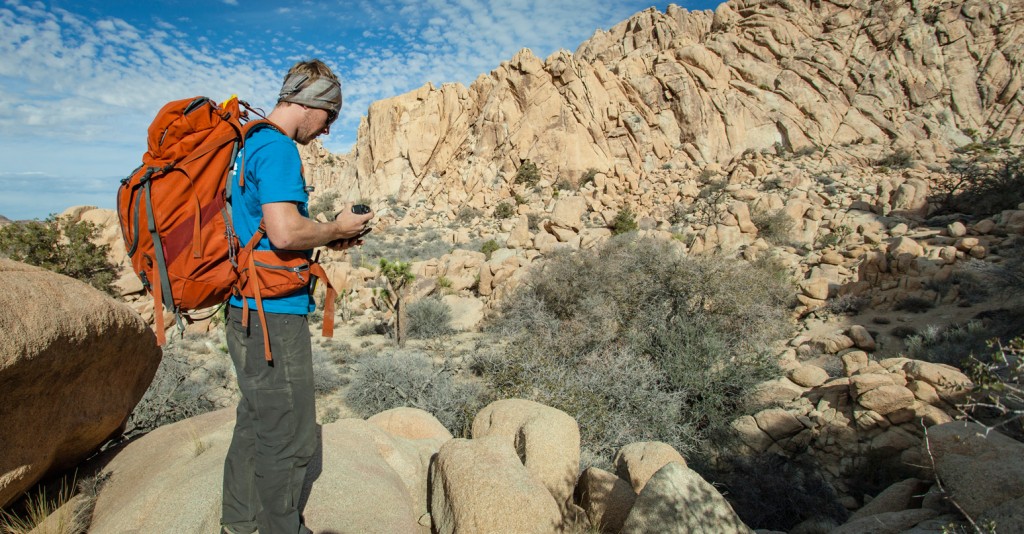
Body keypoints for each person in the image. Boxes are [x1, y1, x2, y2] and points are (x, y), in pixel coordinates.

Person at [220, 58, 373, 534]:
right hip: (273, 318)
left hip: (243, 307)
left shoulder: (247, 144)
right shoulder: (280, 149)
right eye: (329, 118)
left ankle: (239, 523)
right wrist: (336, 227)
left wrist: (327, 237)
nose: (326, 132)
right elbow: (285, 234)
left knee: (255, 420)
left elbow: (265, 232)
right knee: (289, 433)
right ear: (312, 105)